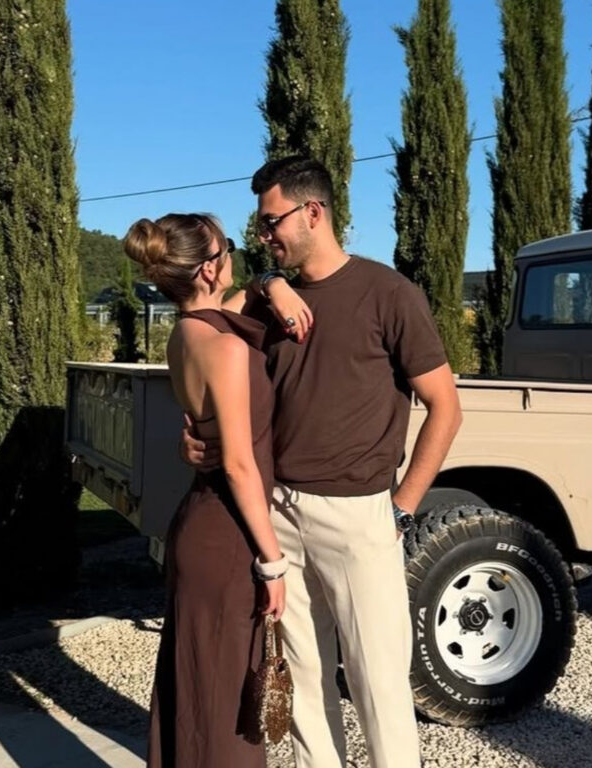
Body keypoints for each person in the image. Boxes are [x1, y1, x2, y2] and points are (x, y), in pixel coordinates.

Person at [184, 156, 463, 768]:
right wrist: (264, 282)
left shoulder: (388, 294)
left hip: (361, 517)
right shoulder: (265, 303)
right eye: (259, 228)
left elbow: (444, 407)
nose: (263, 236)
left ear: (313, 213)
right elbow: (205, 328)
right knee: (305, 686)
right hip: (280, 515)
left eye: (270, 222)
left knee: (378, 684)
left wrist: (402, 509)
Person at [123, 212, 308, 768]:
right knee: (226, 704)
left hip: (202, 524)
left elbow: (244, 300)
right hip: (228, 535)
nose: (235, 255)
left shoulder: (186, 333)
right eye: (227, 247)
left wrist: (273, 283)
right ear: (208, 270)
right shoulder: (223, 347)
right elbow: (239, 466)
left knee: (197, 692)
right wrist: (272, 564)